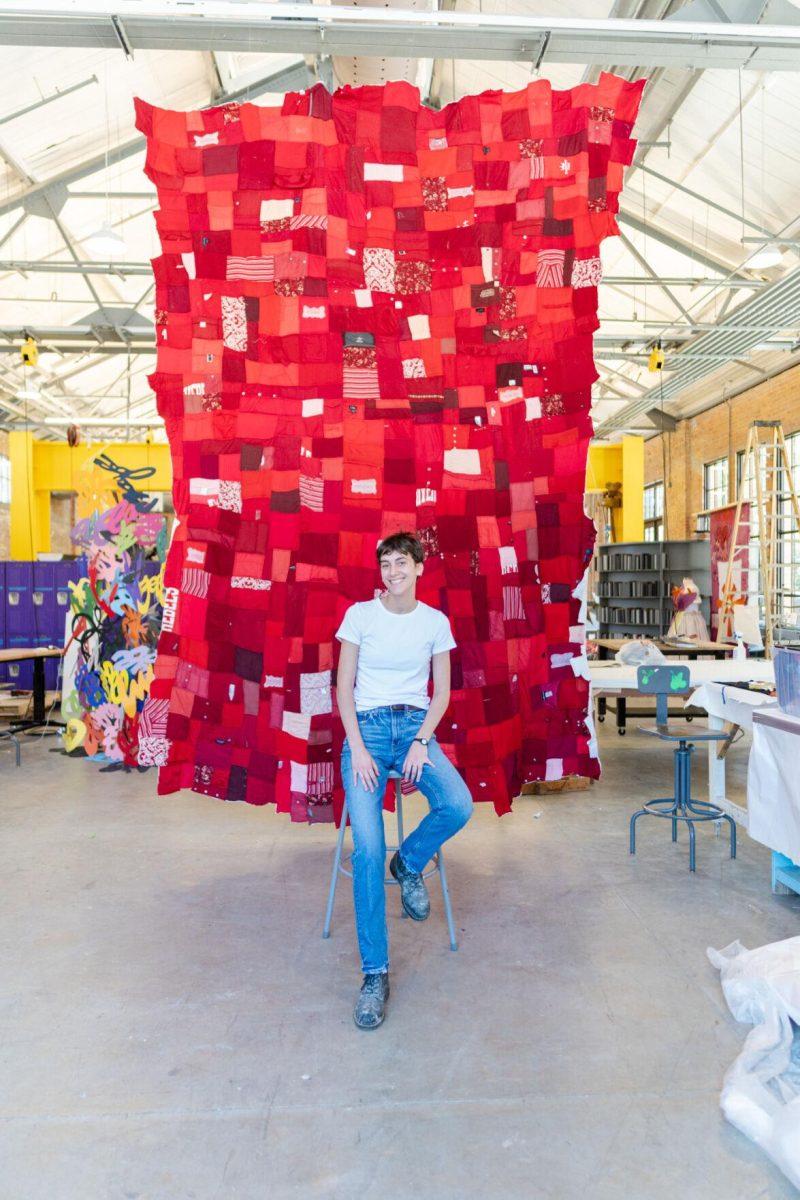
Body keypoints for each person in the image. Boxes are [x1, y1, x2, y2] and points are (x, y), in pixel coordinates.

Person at [335, 531, 474, 1030]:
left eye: (401, 563)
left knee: (458, 804)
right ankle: (375, 974)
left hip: (416, 728)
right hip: (367, 731)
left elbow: (441, 695)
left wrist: (421, 741)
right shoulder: (359, 617)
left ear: (419, 567)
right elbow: (343, 691)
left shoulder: (435, 623)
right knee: (366, 850)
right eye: (385, 565)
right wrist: (359, 750)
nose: (393, 572)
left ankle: (409, 862)